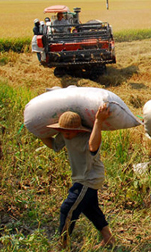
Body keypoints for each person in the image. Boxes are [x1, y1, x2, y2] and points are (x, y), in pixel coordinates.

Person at [40, 105, 115, 248]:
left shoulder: (88, 135)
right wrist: (38, 133)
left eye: (70, 131)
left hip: (89, 178)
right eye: (63, 131)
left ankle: (62, 244)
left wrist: (98, 121)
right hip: (80, 178)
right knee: (90, 208)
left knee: (67, 208)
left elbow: (93, 147)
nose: (67, 135)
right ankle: (108, 238)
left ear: (78, 129)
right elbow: (55, 145)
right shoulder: (63, 135)